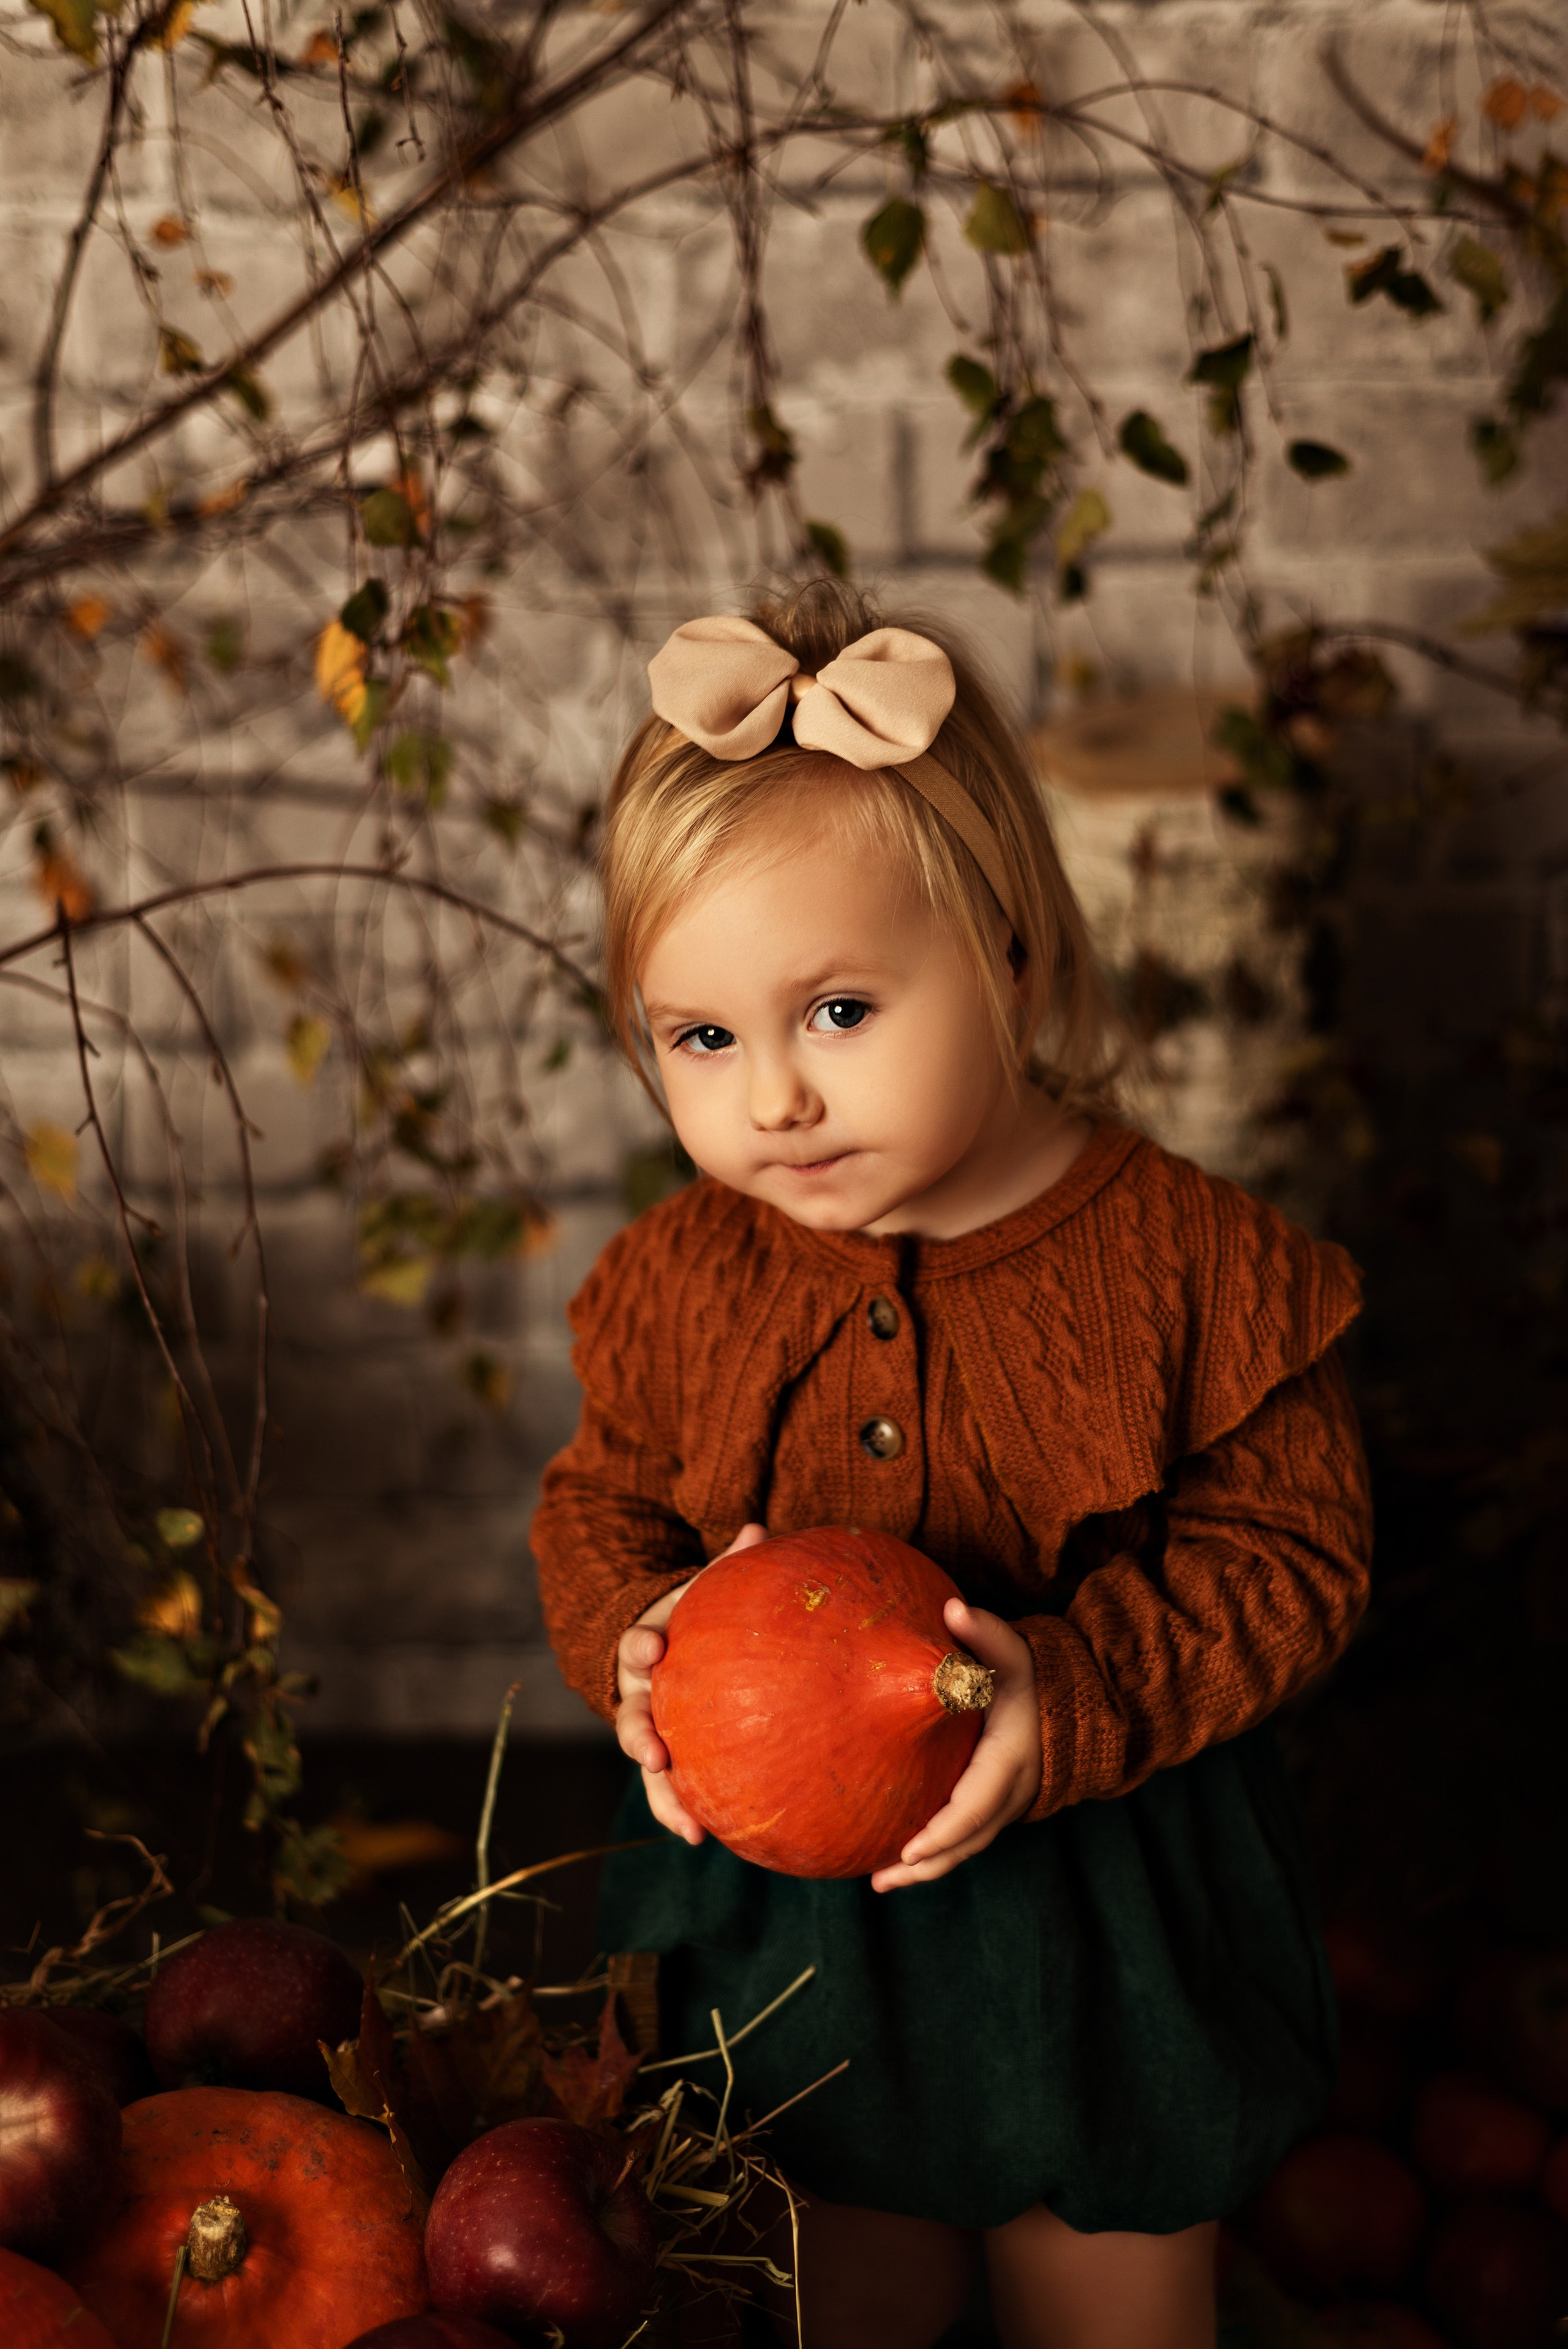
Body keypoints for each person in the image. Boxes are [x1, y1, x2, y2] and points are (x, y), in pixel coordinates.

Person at [531, 580, 1373, 2349]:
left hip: (1102, 1898)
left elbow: (1294, 1548)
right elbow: (601, 1498)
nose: (772, 1100)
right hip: (797, 1925)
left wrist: (1070, 1690)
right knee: (836, 2267)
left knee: (1111, 2282)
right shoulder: (694, 1275)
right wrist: (639, 1636)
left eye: (838, 1011)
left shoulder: (1186, 1263)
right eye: (702, 1038)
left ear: (1007, 947)